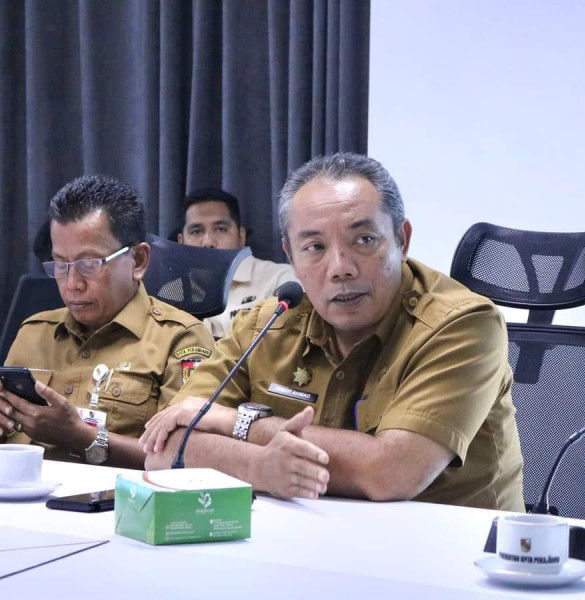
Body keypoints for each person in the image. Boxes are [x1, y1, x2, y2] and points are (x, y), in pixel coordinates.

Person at [142, 153, 524, 509]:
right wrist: (258, 468)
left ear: (402, 239)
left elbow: (391, 472)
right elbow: (164, 446)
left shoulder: (462, 324)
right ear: (290, 255)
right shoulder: (267, 323)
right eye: (314, 247)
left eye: (364, 240)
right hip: (307, 540)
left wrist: (237, 424)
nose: (340, 267)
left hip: (450, 549)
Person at [0, 175, 215, 469]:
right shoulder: (34, 332)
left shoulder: (180, 340)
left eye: (88, 265)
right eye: (60, 265)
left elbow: (185, 457)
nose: (72, 284)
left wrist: (81, 437)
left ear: (138, 260)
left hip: (118, 497)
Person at [177, 189, 297, 338]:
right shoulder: (169, 294)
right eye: (196, 231)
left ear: (241, 236)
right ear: (181, 241)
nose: (208, 242)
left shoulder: (281, 280)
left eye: (220, 229)